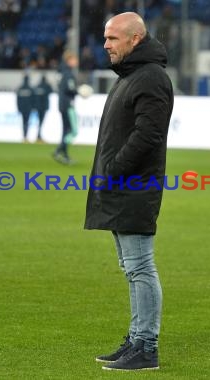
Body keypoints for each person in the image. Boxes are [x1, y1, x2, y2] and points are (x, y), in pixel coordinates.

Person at [84, 12, 174, 371]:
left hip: (134, 186)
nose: (105, 44)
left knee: (140, 268)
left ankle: (146, 347)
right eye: (106, 38)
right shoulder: (133, 76)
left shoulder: (150, 78)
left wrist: (116, 170)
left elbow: (148, 135)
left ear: (135, 39)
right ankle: (136, 339)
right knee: (131, 267)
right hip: (122, 186)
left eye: (113, 38)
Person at [53, 50, 78, 164]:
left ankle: (65, 155)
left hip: (62, 103)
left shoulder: (61, 71)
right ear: (69, 60)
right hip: (68, 104)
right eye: (74, 59)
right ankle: (59, 150)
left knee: (65, 130)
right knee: (72, 130)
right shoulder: (68, 73)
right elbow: (69, 89)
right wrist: (79, 91)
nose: (76, 61)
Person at [32, 75, 53, 143]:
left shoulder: (37, 86)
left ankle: (38, 135)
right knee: (41, 121)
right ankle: (39, 136)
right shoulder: (47, 86)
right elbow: (51, 91)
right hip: (43, 107)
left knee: (39, 121)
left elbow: (34, 96)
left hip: (38, 107)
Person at [16, 74, 35, 143]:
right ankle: (25, 136)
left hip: (22, 108)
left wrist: (18, 108)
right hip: (28, 109)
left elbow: (17, 100)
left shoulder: (20, 88)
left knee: (24, 122)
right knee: (26, 122)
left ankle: (24, 136)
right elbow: (33, 100)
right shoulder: (31, 89)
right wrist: (33, 107)